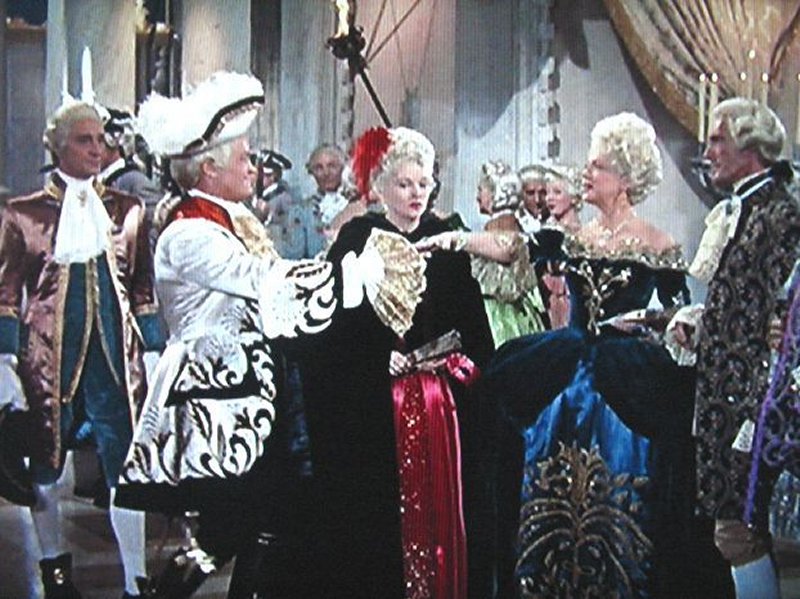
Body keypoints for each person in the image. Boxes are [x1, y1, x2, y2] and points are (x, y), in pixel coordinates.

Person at [115, 72, 424, 599]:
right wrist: (352, 274)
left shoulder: (230, 219)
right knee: (234, 524)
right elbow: (262, 281)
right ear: (209, 169)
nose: (253, 166)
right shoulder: (189, 232)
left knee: (258, 523)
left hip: (250, 393)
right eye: (244, 157)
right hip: (213, 400)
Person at [419, 112, 730, 598]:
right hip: (565, 370)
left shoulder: (659, 244)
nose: (587, 173)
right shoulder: (571, 239)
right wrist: (454, 239)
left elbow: (676, 312)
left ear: (625, 178)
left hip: (627, 380)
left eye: (598, 166)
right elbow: (508, 247)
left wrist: (656, 323)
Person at [298, 126, 495, 598]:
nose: (415, 194)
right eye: (405, 184)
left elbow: (471, 324)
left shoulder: (445, 239)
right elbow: (333, 320)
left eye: (424, 184)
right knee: (378, 508)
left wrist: (452, 362)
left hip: (440, 404)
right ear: (382, 187)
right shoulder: (358, 238)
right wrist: (373, 355)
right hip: (374, 406)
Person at [0, 99, 162, 598]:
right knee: (45, 464)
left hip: (116, 360)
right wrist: (5, 361)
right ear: (58, 147)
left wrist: (153, 351)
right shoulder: (22, 214)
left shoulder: (128, 210)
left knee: (126, 465)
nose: (96, 149)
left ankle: (135, 579)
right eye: (83, 140)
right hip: (48, 359)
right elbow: (6, 293)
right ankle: (55, 574)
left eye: (100, 140)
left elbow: (142, 286)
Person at [674, 98, 800, 598]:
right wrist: (696, 324)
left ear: (751, 147)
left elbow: (786, 314)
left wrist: (762, 400)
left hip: (755, 403)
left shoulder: (781, 213)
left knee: (740, 533)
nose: (708, 152)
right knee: (733, 534)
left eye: (718, 140)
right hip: (727, 397)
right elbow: (743, 303)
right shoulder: (744, 209)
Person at [472, 159, 547, 345]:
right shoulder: (516, 225)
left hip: (500, 319)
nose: (478, 197)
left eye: (481, 190)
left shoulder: (496, 227)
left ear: (495, 193)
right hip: (525, 317)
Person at [269, 143, 350, 258]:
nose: (326, 173)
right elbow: (294, 256)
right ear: (311, 172)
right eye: (319, 168)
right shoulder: (301, 212)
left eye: (332, 166)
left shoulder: (357, 205)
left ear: (342, 168)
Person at [541, 163, 582, 329]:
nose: (549, 198)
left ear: (573, 197)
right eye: (547, 192)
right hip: (549, 299)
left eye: (557, 192)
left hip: (570, 300)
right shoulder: (547, 230)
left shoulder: (579, 234)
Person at [249, 148, 294, 224]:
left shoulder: (283, 197)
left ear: (274, 176)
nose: (259, 178)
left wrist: (267, 215)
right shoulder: (253, 194)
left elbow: (287, 222)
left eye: (265, 175)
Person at [516, 163, 549, 233]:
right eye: (530, 193)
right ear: (521, 194)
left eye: (543, 193)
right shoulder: (512, 222)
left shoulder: (559, 221)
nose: (537, 200)